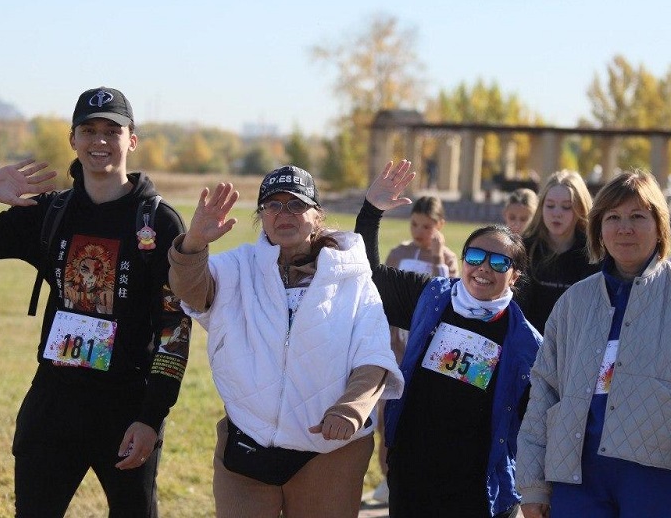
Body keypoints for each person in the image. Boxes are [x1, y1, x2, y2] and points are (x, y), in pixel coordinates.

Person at [0, 86, 191, 517]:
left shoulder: (158, 222)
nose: (99, 141)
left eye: (112, 130)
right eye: (88, 130)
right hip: (55, 402)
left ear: (132, 140)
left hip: (126, 408)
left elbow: (174, 327)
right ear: (73, 140)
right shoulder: (50, 212)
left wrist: (151, 417)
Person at [167, 165, 404, 518]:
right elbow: (191, 291)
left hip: (329, 452)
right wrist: (194, 244)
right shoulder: (238, 266)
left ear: (317, 215)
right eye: (273, 206)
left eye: (296, 204)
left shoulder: (353, 278)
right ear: (261, 215)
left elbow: (373, 355)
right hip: (246, 445)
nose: (284, 214)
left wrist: (350, 408)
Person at [516, 169, 671, 518]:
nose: (624, 228)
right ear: (598, 228)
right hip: (576, 481)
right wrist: (532, 485)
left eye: (637, 216)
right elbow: (543, 392)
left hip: (653, 481)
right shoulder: (575, 303)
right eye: (613, 217)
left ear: (660, 225)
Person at [356, 160, 542, 518]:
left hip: (478, 488)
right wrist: (372, 211)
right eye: (475, 256)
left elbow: (534, 425)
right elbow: (369, 277)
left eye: (499, 263)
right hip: (414, 472)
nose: (484, 268)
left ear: (515, 276)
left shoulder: (527, 344)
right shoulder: (431, 297)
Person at [369, 195, 459, 503]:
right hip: (396, 347)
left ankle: (419, 479)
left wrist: (437, 258)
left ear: (440, 225)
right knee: (385, 416)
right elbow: (384, 293)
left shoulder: (447, 258)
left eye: (427, 225)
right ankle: (386, 477)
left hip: (428, 352)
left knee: (419, 417)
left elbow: (447, 298)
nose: (420, 231)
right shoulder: (399, 252)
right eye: (415, 224)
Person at [515, 169, 599, 334]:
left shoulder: (595, 253)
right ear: (541, 207)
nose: (556, 213)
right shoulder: (524, 248)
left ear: (580, 210)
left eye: (566, 207)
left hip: (575, 345)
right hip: (530, 345)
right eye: (550, 205)